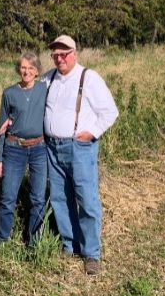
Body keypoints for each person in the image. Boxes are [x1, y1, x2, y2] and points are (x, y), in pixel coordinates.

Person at [43, 35, 118, 275]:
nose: (59, 58)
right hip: (52, 148)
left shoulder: (89, 77)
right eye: (55, 54)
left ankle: (92, 254)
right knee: (59, 198)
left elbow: (110, 112)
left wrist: (92, 133)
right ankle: (70, 244)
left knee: (86, 199)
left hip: (79, 148)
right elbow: (30, 95)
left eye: (63, 54)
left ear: (74, 53)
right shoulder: (49, 77)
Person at [0, 52, 49, 246]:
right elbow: (1, 129)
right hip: (14, 148)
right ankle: (2, 240)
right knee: (8, 198)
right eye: (23, 67)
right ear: (19, 69)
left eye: (31, 68)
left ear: (37, 71)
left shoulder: (44, 89)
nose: (26, 71)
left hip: (39, 149)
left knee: (37, 199)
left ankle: (34, 242)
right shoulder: (10, 93)